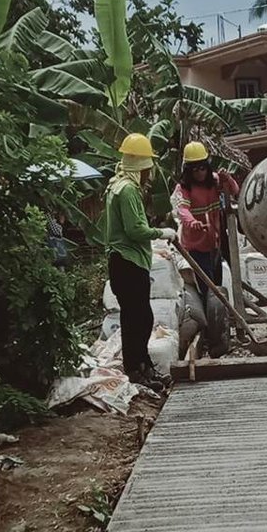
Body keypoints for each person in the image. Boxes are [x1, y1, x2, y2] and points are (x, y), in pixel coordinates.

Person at [104, 132, 164, 388]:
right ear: (140, 165)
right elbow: (135, 230)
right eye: (147, 167)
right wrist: (161, 232)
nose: (149, 174)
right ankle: (136, 371)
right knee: (137, 319)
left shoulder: (115, 185)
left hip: (124, 262)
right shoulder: (127, 190)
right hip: (128, 261)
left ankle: (144, 366)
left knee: (139, 317)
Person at [170, 141, 239, 293]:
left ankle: (222, 310)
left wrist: (227, 179)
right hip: (196, 244)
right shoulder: (184, 188)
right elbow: (183, 209)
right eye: (195, 170)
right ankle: (211, 312)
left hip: (216, 241)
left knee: (217, 278)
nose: (200, 173)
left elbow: (234, 190)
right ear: (188, 171)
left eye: (202, 168)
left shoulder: (214, 181)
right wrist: (193, 222)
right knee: (206, 285)